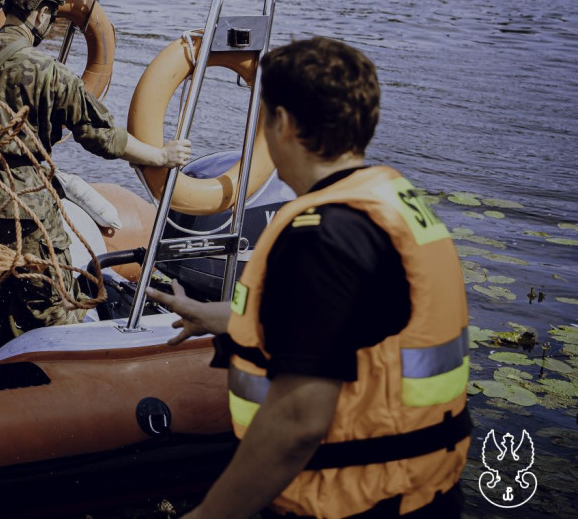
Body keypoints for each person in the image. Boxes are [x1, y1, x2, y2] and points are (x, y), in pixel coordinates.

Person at [146, 37, 471, 519]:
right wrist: (220, 317)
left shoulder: (321, 236)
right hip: (420, 492)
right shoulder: (391, 201)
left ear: (284, 123)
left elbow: (299, 421)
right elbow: (358, 327)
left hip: (352, 501)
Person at [0, 0, 193, 369]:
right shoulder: (50, 73)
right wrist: (161, 157)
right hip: (26, 210)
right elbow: (102, 137)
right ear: (42, 14)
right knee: (51, 307)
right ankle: (50, 388)